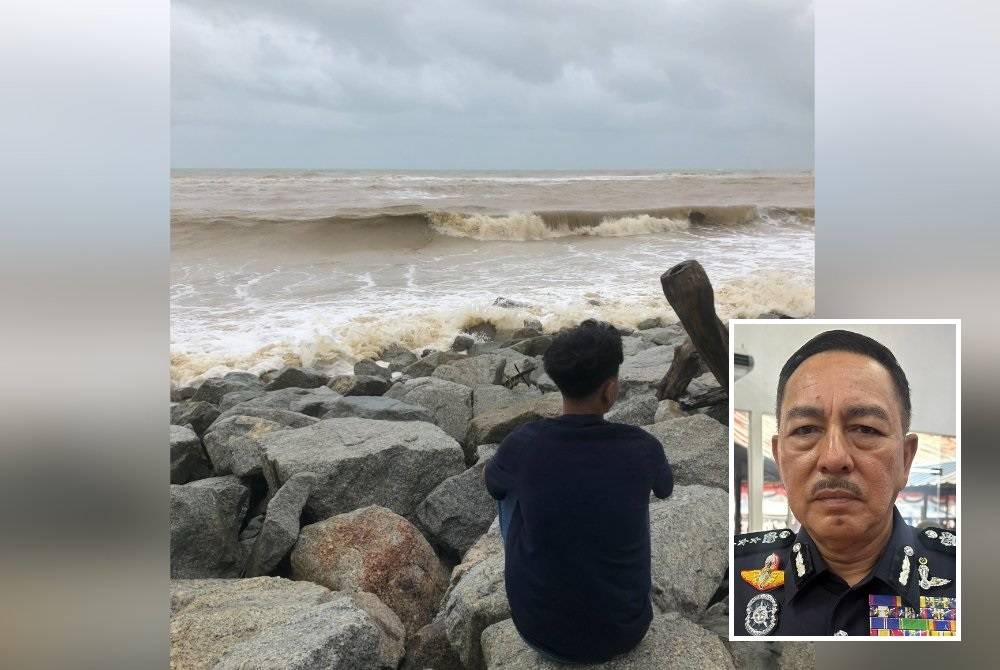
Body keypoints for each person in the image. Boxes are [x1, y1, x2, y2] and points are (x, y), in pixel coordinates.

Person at [733, 330, 957, 637]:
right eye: (806, 429)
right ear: (780, 458)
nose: (834, 458)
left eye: (865, 429)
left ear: (905, 459)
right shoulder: (731, 580)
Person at [483, 319, 674, 663]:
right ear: (609, 391)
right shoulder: (642, 446)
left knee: (509, 489)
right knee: (628, 489)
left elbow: (493, 485)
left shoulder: (524, 442)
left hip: (540, 634)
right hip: (626, 631)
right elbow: (665, 488)